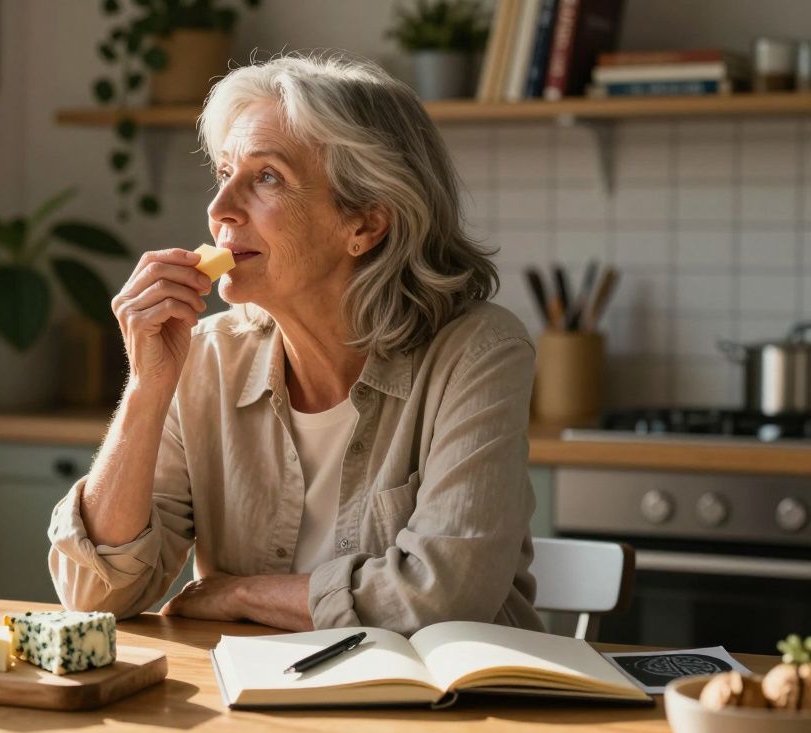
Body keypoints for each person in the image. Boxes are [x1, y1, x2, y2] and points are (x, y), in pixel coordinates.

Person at [46, 52, 543, 635]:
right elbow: (95, 593)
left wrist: (242, 593)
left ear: (364, 225)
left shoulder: (478, 352)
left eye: (267, 177)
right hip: (257, 706)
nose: (218, 209)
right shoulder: (207, 355)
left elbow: (438, 601)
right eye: (224, 172)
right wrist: (145, 388)